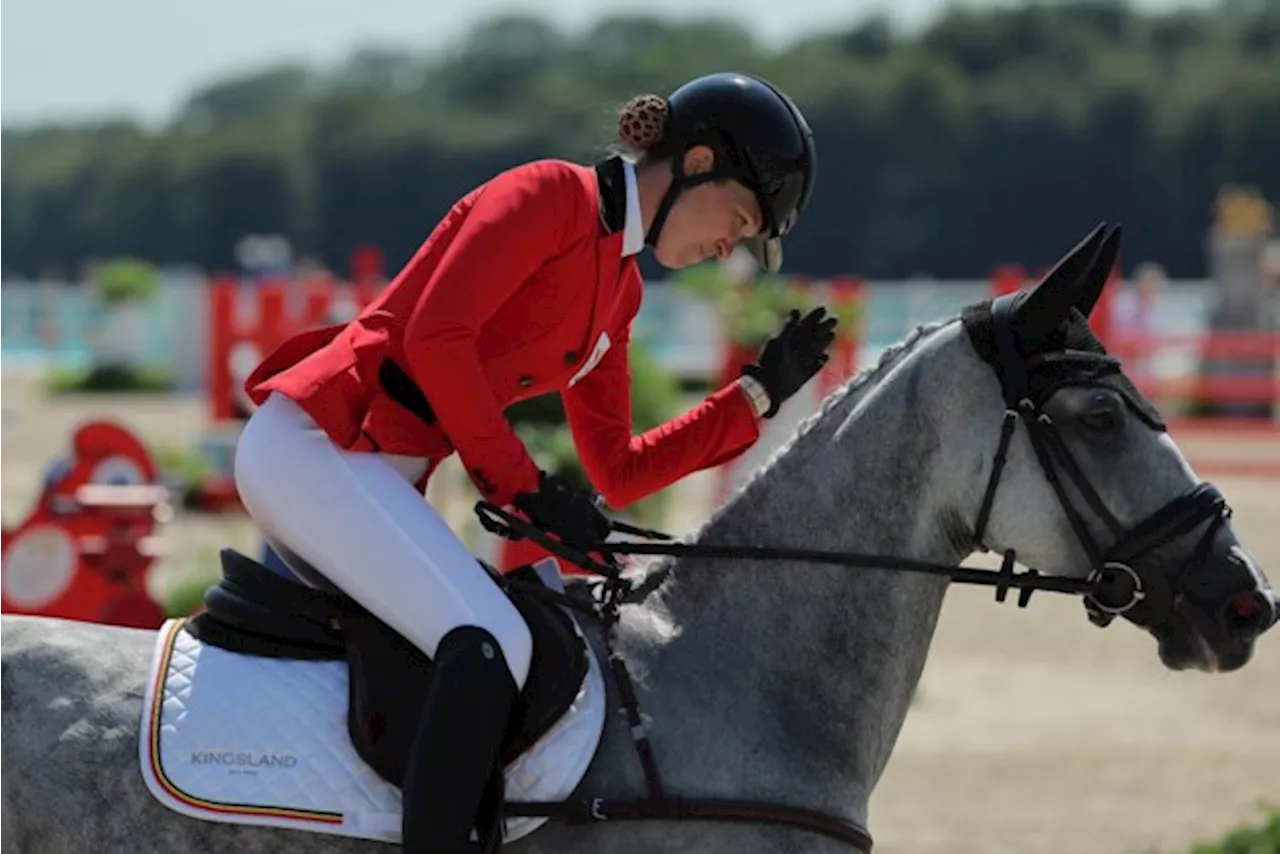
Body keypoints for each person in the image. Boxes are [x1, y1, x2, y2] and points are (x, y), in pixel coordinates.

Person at [232, 70, 835, 852]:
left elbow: (617, 467)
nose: (733, 245)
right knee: (492, 641)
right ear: (696, 162)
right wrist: (524, 488)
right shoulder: (551, 197)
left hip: (375, 474)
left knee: (511, 637)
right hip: (316, 443)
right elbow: (436, 337)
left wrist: (754, 395)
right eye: (742, 217)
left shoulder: (619, 296)